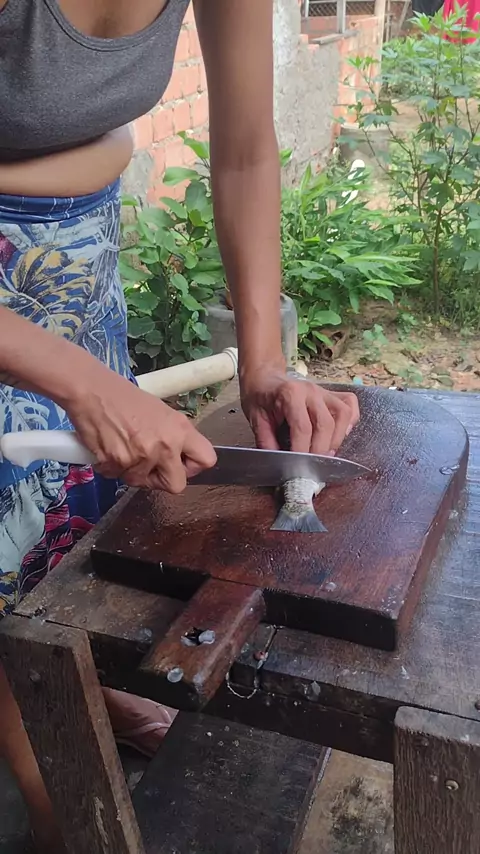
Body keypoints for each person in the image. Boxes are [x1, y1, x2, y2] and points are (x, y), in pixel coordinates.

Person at [0, 1, 360, 851]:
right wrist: (79, 383)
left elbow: (244, 149)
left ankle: (91, 705)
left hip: (78, 265)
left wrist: (263, 361)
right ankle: (54, 808)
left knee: (57, 533)